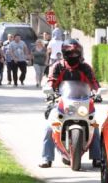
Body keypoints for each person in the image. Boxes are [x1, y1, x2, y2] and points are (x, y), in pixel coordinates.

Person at [40, 39, 102, 168]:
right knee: (49, 127)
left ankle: (97, 158)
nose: (73, 55)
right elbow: (51, 80)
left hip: (83, 102)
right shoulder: (58, 66)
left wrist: (98, 92)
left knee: (95, 126)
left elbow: (93, 82)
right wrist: (49, 90)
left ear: (80, 53)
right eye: (70, 53)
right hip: (63, 101)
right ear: (64, 53)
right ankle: (46, 158)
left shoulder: (85, 67)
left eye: (75, 53)